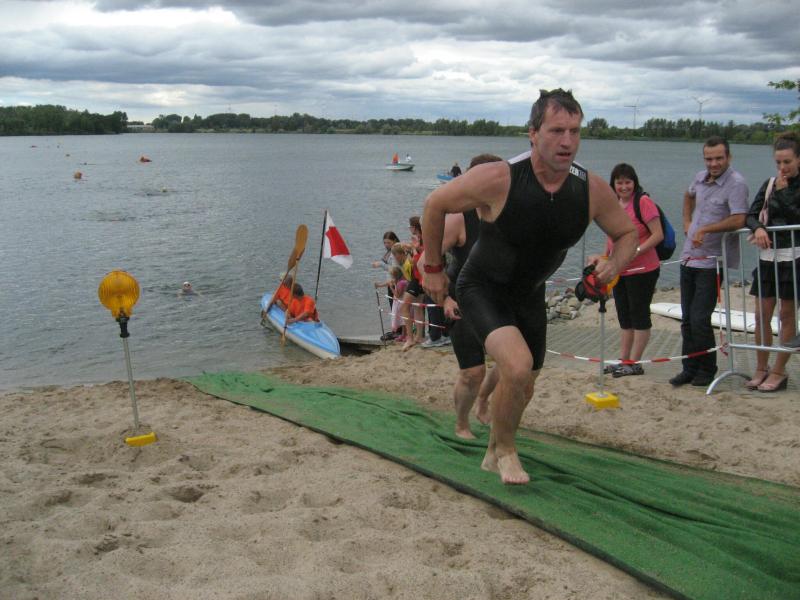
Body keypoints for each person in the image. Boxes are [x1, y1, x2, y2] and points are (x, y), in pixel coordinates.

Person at [421, 89, 637, 484]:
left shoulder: (589, 189)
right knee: (516, 366)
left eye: (574, 131)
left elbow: (627, 234)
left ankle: (493, 450)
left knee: (526, 384)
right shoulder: (500, 177)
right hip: (482, 287)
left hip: (530, 294)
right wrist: (433, 268)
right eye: (556, 130)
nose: (567, 141)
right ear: (533, 134)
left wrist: (613, 265)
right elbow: (435, 204)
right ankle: (506, 452)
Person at [419, 153, 504, 438]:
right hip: (461, 300)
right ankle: (461, 423)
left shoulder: (509, 214)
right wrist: (444, 300)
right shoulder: (459, 219)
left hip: (498, 300)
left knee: (514, 363)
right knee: (473, 373)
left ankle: (483, 399)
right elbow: (424, 263)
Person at [670, 136, 749, 388]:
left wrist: (706, 229)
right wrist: (687, 222)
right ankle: (689, 368)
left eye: (718, 158)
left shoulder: (736, 183)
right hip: (688, 258)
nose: (713, 164)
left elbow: (739, 219)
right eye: (709, 159)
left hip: (712, 263)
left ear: (729, 157)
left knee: (700, 319)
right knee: (687, 319)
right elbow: (688, 196)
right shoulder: (700, 177)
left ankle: (707, 369)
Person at [588, 164, 663, 377]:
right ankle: (624, 360)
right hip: (620, 270)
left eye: (627, 182)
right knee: (624, 317)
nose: (623, 187)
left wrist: (635, 251)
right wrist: (605, 260)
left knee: (639, 315)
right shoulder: (613, 204)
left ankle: (635, 362)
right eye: (619, 182)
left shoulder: (643, 202)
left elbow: (658, 234)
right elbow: (612, 238)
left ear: (634, 182)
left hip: (643, 269)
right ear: (613, 185)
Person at [743, 132, 800, 391]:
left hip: (794, 256)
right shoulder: (769, 184)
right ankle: (761, 367)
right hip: (768, 258)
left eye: (787, 162)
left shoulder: (789, 186)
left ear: (798, 159)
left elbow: (795, 217)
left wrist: (785, 193)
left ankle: (779, 370)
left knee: (787, 315)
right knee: (761, 314)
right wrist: (757, 228)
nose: (782, 167)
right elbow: (751, 214)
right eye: (778, 162)